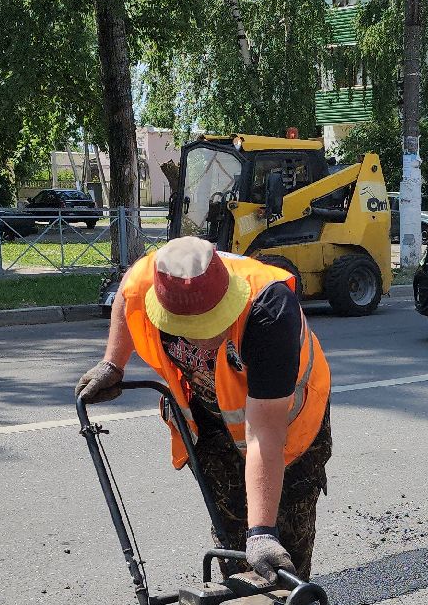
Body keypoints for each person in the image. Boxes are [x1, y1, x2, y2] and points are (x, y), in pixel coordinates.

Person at [76, 236, 332, 580]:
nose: (204, 340)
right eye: (191, 330)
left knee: (282, 548)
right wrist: (113, 364)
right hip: (213, 418)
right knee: (229, 532)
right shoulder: (153, 278)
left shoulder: (269, 312)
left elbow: (264, 435)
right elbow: (128, 292)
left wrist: (262, 533)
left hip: (288, 426)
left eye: (212, 324)